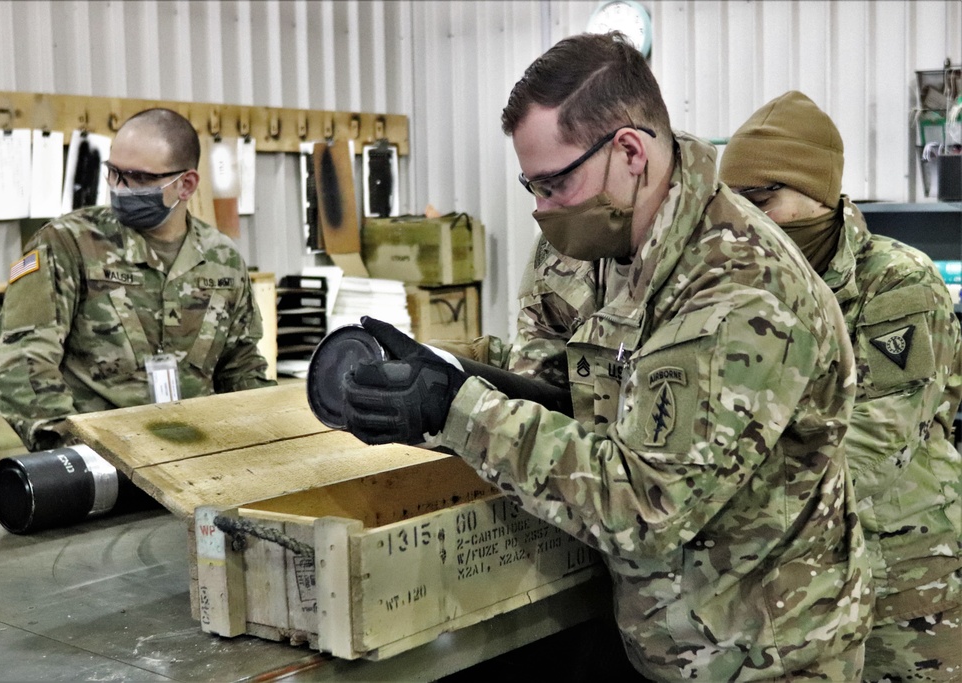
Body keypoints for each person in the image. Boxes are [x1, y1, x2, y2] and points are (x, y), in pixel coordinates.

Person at [338, 33, 873, 681]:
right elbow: (581, 396)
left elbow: (647, 507)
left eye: (555, 182)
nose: (540, 208)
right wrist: (454, 375)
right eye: (530, 185)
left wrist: (458, 411)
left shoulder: (738, 288)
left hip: (769, 658)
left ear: (628, 151)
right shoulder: (617, 248)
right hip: (674, 640)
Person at [720, 91, 962, 683]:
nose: (745, 223)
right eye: (732, 206)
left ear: (818, 193)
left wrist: (720, 486)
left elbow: (875, 445)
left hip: (905, 584)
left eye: (762, 200)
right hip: (796, 591)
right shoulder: (742, 288)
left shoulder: (897, 282)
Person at [0, 108, 275, 452]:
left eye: (139, 178)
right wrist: (72, 452)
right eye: (114, 173)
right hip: (101, 463)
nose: (120, 188)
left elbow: (240, 364)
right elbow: (23, 364)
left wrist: (268, 433)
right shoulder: (67, 244)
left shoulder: (222, 260)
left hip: (198, 458)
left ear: (186, 185)